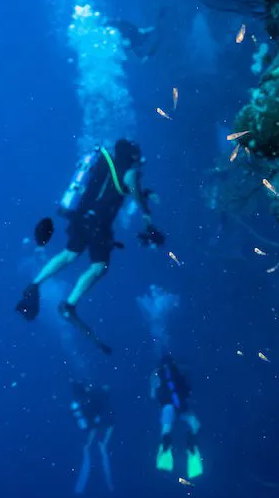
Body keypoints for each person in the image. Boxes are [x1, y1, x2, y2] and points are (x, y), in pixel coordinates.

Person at [15, 139, 166, 354]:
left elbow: (116, 189)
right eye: (137, 155)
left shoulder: (106, 164)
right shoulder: (129, 172)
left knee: (69, 254)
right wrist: (147, 212)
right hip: (98, 225)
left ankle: (34, 284)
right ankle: (69, 305)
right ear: (131, 156)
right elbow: (132, 191)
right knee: (99, 267)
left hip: (81, 217)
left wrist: (145, 193)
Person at [151, 353, 203, 479]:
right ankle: (191, 448)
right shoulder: (178, 369)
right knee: (195, 425)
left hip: (167, 406)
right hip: (181, 403)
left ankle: (166, 449)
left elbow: (153, 394)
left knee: (166, 429)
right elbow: (188, 389)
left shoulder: (156, 374)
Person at [69, 381, 115, 494]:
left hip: (91, 426)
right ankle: (110, 486)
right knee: (102, 454)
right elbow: (108, 423)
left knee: (93, 452)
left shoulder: (84, 401)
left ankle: (107, 486)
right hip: (97, 425)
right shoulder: (96, 397)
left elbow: (93, 426)